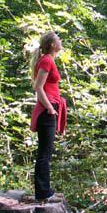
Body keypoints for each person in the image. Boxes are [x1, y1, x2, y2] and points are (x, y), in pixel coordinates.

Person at [29, 31, 67, 202]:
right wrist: (51, 109)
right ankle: (43, 193)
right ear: (52, 44)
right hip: (47, 109)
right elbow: (38, 87)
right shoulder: (46, 60)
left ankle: (44, 191)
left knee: (46, 152)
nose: (61, 41)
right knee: (44, 153)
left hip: (50, 107)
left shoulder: (49, 60)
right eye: (58, 39)